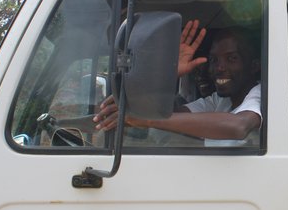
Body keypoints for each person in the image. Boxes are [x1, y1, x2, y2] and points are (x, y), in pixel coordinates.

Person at [93, 20, 261, 144]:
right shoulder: (220, 101)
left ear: (254, 66)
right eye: (214, 60)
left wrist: (146, 119)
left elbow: (239, 126)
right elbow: (172, 114)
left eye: (231, 58)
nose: (219, 67)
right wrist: (170, 73)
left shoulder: (261, 95)